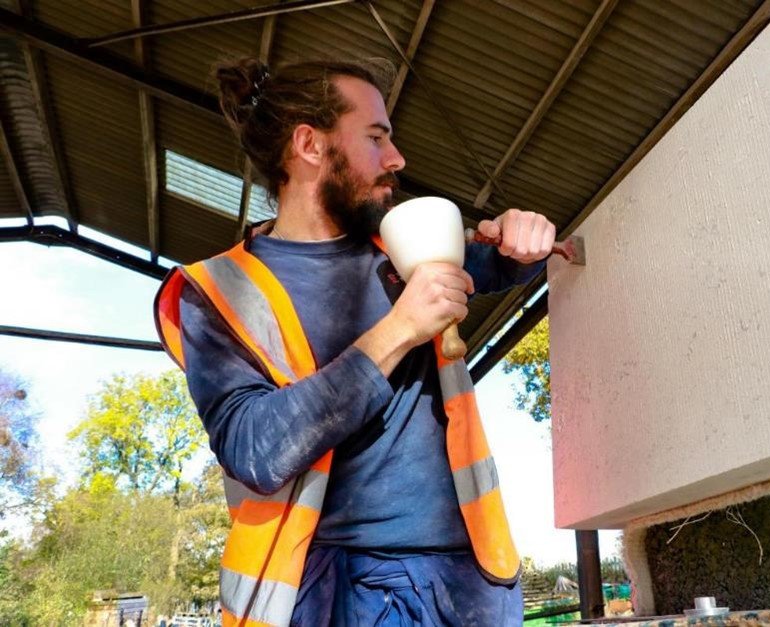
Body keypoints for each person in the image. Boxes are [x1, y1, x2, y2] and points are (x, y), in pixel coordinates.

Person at [154, 58, 556, 626]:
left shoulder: (402, 249)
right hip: (332, 590)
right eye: (376, 137)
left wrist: (524, 239)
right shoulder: (218, 291)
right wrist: (399, 331)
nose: (397, 159)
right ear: (310, 145)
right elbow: (253, 451)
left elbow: (506, 262)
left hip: (469, 581)